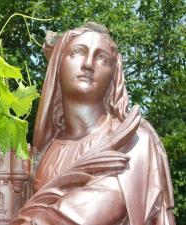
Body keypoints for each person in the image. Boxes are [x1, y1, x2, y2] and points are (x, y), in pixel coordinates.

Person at [12, 22, 176, 225]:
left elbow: (105, 202)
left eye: (102, 58)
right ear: (58, 64)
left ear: (113, 75)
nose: (88, 64)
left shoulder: (132, 138)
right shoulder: (43, 153)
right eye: (78, 52)